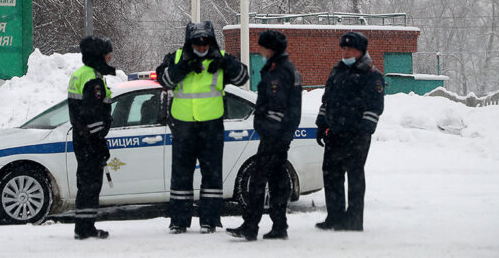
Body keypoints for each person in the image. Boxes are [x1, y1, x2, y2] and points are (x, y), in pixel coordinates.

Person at [156, 21, 249, 234]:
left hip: (211, 126)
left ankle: (210, 220)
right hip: (183, 126)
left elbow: (243, 77)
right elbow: (164, 80)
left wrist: (226, 65)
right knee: (181, 175)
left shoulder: (221, 57)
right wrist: (183, 68)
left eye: (205, 43)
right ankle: (179, 221)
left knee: (212, 175)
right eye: (196, 44)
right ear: (189, 43)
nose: (201, 47)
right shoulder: (177, 58)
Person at [227, 30, 302, 241]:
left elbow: (277, 107)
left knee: (258, 181)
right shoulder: (283, 68)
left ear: (270, 49)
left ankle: (251, 226)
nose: (259, 51)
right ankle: (279, 226)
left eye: (261, 47)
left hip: (274, 136)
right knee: (277, 181)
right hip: (279, 136)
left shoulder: (279, 72)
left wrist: (269, 132)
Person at [315, 31, 385, 232]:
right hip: (335, 132)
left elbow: (374, 107)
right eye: (343, 48)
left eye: (349, 49)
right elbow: (327, 100)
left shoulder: (372, 75)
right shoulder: (337, 71)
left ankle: (354, 220)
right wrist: (322, 124)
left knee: (354, 176)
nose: (345, 52)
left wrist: (364, 132)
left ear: (360, 51)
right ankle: (335, 217)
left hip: (356, 134)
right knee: (331, 174)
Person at [68, 35, 115, 240]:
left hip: (81, 138)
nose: (109, 60)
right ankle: (85, 228)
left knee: (85, 183)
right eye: (107, 56)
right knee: (91, 184)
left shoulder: (81, 74)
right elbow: (92, 114)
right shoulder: (93, 79)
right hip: (89, 140)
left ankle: (84, 225)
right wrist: (99, 142)